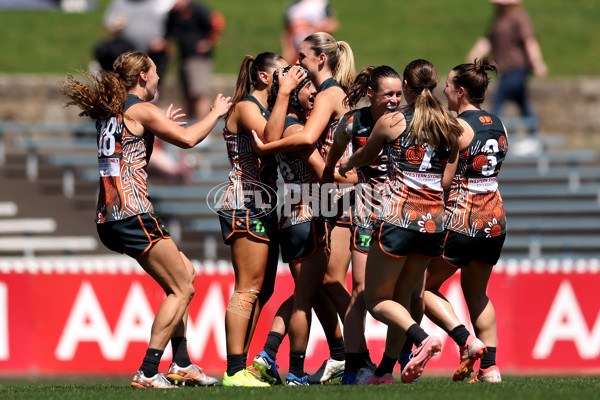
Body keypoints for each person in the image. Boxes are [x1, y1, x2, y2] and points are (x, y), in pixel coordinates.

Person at [60, 51, 232, 389]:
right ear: (142, 77)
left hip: (110, 215)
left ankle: (181, 363)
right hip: (132, 212)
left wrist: (154, 129)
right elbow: (188, 139)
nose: (158, 79)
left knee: (186, 273)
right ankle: (149, 370)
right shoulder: (141, 109)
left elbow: (129, 155)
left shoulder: (113, 112)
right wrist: (215, 113)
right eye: (155, 73)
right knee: (182, 288)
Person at [338, 59, 463, 384]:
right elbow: (448, 179)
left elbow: (365, 157)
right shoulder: (451, 125)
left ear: (406, 86)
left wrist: (346, 164)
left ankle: (422, 340)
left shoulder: (393, 121)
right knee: (406, 297)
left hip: (397, 218)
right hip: (434, 222)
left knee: (376, 299)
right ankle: (383, 372)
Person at [259, 32, 357, 384]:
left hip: (335, 196)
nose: (297, 62)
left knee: (320, 286)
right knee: (321, 284)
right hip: (325, 197)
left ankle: (355, 356)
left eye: (302, 56)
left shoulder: (328, 94)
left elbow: (303, 140)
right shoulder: (323, 97)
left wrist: (264, 149)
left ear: (320, 59)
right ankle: (348, 356)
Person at [423, 57, 508, 384]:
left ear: (460, 91)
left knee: (421, 288)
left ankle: (466, 341)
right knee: (478, 293)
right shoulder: (498, 123)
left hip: (462, 219)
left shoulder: (456, 127)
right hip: (495, 219)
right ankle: (490, 369)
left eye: (447, 85)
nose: (443, 89)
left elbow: (444, 181)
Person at [324, 65, 403, 384]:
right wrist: (330, 175)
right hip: (368, 214)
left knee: (409, 293)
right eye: (389, 94)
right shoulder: (352, 121)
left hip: (402, 213)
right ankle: (356, 366)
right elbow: (335, 154)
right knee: (360, 291)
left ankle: (394, 361)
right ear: (371, 94)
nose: (395, 100)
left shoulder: (405, 120)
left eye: (399, 94)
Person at [218, 52, 288, 387]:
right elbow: (273, 139)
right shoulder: (247, 106)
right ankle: (234, 369)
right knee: (247, 286)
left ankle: (242, 365)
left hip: (264, 202)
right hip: (245, 201)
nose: (287, 78)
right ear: (263, 76)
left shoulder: (268, 107)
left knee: (264, 288)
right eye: (281, 73)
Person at [467, 0, 547, 137]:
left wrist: (537, 62)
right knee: (522, 102)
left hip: (517, 68)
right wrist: (473, 55)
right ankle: (534, 136)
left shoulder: (520, 17)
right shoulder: (498, 19)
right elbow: (488, 40)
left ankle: (491, 133)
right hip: (505, 71)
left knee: (499, 99)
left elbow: (529, 41)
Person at [164, 0, 225, 120]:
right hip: (184, 57)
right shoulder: (173, 14)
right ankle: (192, 126)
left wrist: (209, 41)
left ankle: (203, 125)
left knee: (199, 94)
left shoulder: (196, 8)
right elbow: (169, 33)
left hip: (198, 59)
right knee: (187, 95)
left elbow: (216, 22)